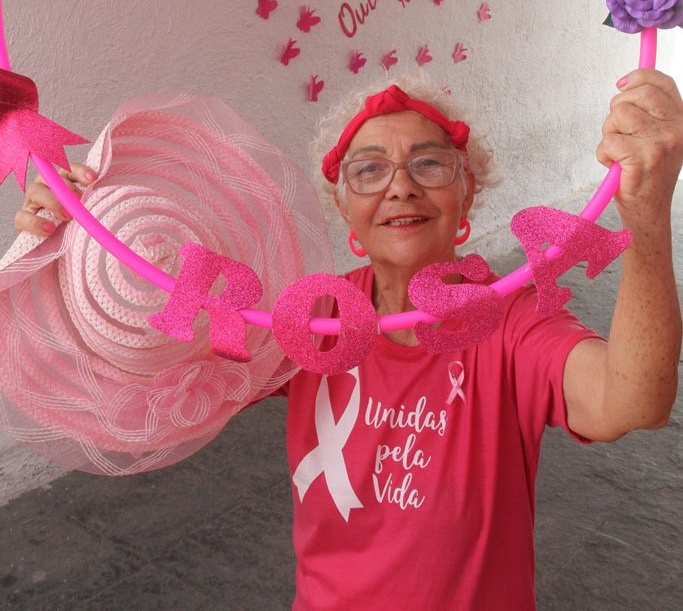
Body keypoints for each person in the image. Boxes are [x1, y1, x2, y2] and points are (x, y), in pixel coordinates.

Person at [13, 68, 683, 610]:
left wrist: (646, 223)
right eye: (369, 170)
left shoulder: (510, 319)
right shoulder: (315, 316)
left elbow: (630, 402)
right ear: (345, 209)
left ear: (464, 193)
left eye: (429, 164)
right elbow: (151, 371)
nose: (399, 185)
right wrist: (72, 248)